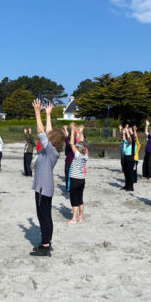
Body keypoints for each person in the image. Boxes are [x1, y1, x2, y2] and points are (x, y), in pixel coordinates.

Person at [30, 99, 63, 257]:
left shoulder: (50, 150)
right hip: (45, 186)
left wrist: (37, 113)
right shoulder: (53, 150)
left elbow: (42, 133)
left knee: (43, 217)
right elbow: (48, 133)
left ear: (52, 141)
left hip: (43, 187)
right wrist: (48, 115)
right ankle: (47, 242)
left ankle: (45, 246)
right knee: (46, 216)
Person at [67, 123, 88, 224]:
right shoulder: (85, 156)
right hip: (82, 179)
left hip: (75, 179)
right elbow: (82, 143)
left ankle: (74, 219)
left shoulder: (78, 155)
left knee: (74, 200)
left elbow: (71, 143)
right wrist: (80, 133)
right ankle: (81, 217)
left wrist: (72, 131)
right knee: (80, 199)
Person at [121, 125, 136, 191]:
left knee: (130, 173)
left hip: (131, 159)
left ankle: (131, 187)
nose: (129, 139)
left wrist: (129, 131)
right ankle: (126, 186)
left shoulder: (133, 144)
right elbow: (124, 139)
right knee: (126, 173)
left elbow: (132, 137)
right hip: (125, 158)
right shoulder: (126, 143)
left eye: (130, 138)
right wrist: (124, 133)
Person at [63, 124, 74, 193]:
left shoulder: (73, 142)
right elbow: (67, 136)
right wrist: (66, 129)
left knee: (69, 176)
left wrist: (72, 130)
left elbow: (68, 138)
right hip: (69, 161)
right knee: (68, 176)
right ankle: (69, 188)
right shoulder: (70, 141)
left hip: (70, 162)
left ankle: (69, 189)